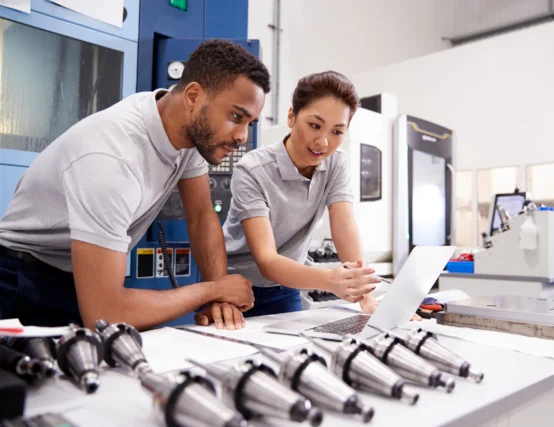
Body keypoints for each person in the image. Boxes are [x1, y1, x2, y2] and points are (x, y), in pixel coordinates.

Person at [0, 40, 270, 330]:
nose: (242, 136)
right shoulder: (112, 158)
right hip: (19, 282)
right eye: (235, 117)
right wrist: (213, 291)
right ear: (193, 96)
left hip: (74, 279)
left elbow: (202, 216)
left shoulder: (186, 131)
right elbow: (105, 313)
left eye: (250, 123)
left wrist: (221, 298)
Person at [195, 71, 383, 329]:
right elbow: (267, 260)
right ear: (292, 116)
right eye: (315, 125)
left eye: (337, 131)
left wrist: (367, 299)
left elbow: (345, 230)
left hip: (287, 286)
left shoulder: (336, 163)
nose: (323, 142)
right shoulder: (253, 169)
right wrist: (329, 280)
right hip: (236, 289)